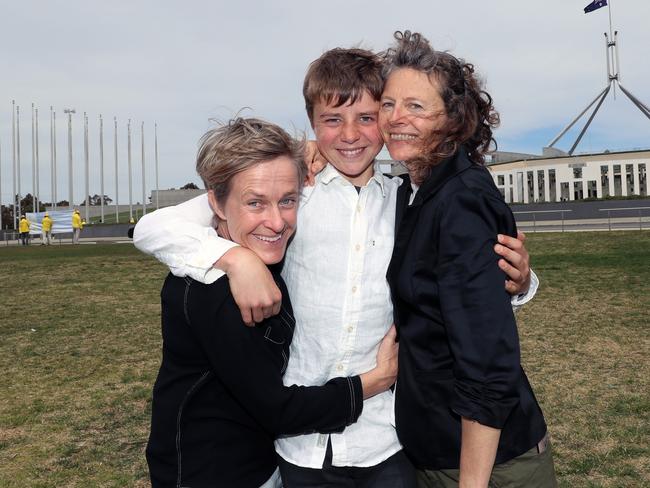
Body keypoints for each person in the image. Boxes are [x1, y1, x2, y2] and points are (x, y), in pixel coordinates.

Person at [134, 48, 535, 487]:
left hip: (386, 440)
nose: (350, 135)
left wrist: (519, 282)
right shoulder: (292, 192)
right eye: (332, 121)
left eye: (367, 117)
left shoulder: (407, 201)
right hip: (298, 443)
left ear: (383, 121)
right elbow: (155, 226)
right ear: (312, 124)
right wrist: (236, 258)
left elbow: (454, 295)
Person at [146, 117, 399, 488]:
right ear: (215, 202)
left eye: (288, 201)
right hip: (212, 473)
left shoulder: (261, 254)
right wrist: (372, 382)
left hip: (264, 463)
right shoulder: (209, 289)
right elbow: (278, 410)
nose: (276, 222)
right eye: (255, 203)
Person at [379, 31, 557, 487]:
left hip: (485, 465)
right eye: (387, 104)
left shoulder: (460, 198)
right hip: (438, 451)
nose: (396, 118)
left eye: (416, 106)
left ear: (453, 120)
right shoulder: (415, 191)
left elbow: (487, 363)